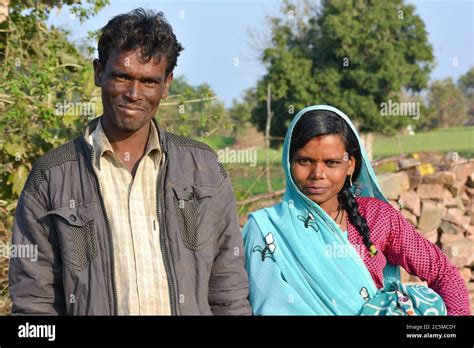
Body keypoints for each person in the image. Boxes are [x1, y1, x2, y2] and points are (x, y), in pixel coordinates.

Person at [9, 8, 251, 315]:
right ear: (99, 73)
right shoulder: (52, 176)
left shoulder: (203, 169)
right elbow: (34, 303)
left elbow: (227, 288)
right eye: (122, 77)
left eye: (149, 81)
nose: (134, 93)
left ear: (167, 85)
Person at [242, 105, 471, 315]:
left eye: (331, 163)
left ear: (350, 164)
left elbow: (443, 273)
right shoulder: (265, 230)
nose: (317, 174)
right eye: (304, 161)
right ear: (288, 162)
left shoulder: (377, 217)